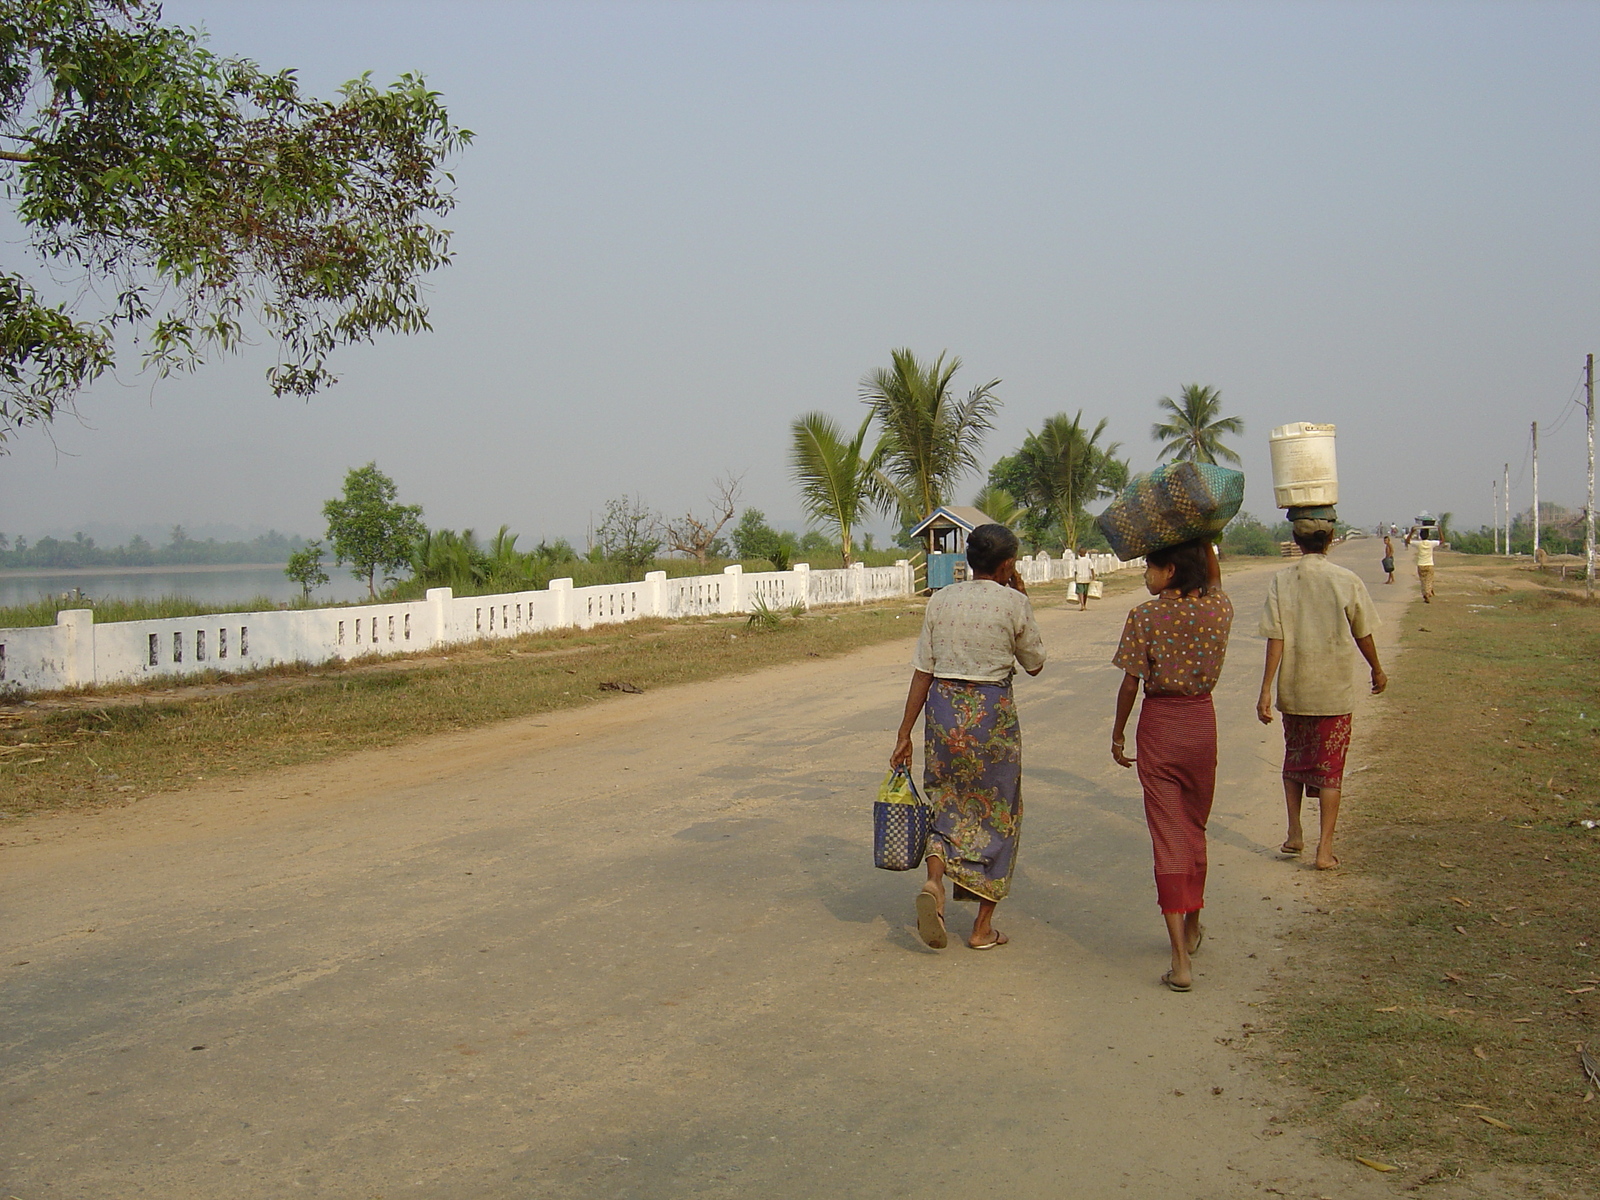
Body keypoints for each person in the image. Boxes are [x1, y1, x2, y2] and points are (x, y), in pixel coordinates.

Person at [891, 523, 1046, 951]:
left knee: (946, 802)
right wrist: (1021, 596)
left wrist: (904, 734)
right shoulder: (1013, 603)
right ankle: (981, 928)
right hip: (990, 717)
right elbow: (1034, 662)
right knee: (998, 812)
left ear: (968, 559)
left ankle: (935, 883)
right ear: (1009, 564)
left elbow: (923, 670)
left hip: (943, 712)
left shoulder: (940, 601)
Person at [1110, 539, 1231, 993]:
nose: (1146, 575)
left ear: (1171, 572)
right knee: (1195, 827)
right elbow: (1214, 580)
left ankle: (1180, 958)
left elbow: (1129, 684)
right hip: (1202, 725)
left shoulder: (1145, 616)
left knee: (1168, 836)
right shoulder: (1217, 610)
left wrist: (1119, 731)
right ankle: (1194, 925)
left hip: (1160, 727)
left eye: (1151, 568)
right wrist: (1202, 534)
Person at [1256, 517, 1387, 871]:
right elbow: (1363, 632)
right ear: (1330, 539)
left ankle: (1295, 831)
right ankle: (1324, 849)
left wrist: (1266, 689)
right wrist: (1376, 667)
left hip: (1295, 689)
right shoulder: (1345, 579)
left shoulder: (1282, 581)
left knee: (1294, 759)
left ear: (1296, 540)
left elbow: (1276, 637)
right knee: (1331, 770)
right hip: (1333, 692)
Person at [1405, 527, 1439, 603]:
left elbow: (1407, 541)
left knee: (1423, 581)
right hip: (1429, 564)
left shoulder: (1419, 543)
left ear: (1420, 535)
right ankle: (1427, 593)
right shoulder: (1431, 543)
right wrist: (1439, 530)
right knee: (1429, 580)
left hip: (1421, 564)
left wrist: (1411, 532)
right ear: (1428, 535)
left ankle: (1426, 593)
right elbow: (1442, 541)